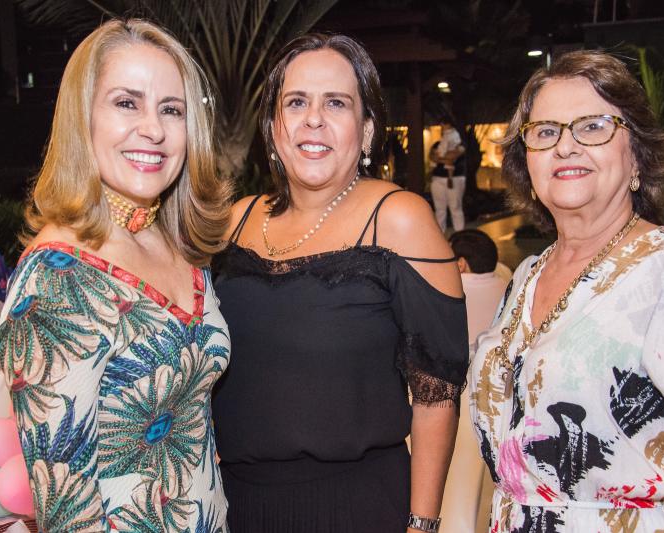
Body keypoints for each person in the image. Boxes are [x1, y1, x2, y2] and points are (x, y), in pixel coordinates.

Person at [469, 50, 664, 533]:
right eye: (545, 132)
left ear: (637, 158)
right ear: (528, 164)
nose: (566, 146)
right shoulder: (524, 277)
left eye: (593, 127)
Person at [212, 33, 468, 533]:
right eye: (296, 102)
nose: (314, 119)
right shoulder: (234, 222)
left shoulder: (398, 219)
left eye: (336, 103)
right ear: (273, 127)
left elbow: (436, 397)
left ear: (367, 130)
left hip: (356, 507)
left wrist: (422, 525)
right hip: (235, 505)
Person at [0, 19, 232, 531]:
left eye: (172, 109)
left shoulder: (178, 243)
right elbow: (67, 514)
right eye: (127, 103)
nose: (154, 129)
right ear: (82, 119)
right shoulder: (56, 281)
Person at [440, 229, 510, 533]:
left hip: (455, 395)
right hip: (496, 397)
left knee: (456, 479)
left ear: (461, 263)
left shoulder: (450, 291)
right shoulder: (507, 286)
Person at [429, 119, 466, 232]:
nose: (443, 129)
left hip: (455, 179)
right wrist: (445, 159)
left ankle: (460, 234)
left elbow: (452, 157)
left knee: (455, 207)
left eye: (444, 126)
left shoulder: (460, 145)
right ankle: (440, 235)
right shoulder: (437, 144)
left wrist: (441, 158)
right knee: (439, 209)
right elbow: (432, 157)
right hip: (438, 178)